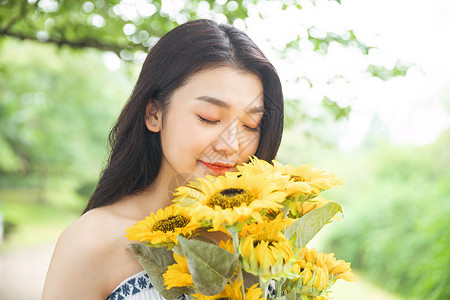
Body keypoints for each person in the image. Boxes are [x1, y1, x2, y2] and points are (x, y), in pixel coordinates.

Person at [42, 18, 284, 299]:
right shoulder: (91, 241)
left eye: (251, 125)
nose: (231, 145)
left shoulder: (261, 237)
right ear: (153, 114)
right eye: (209, 118)